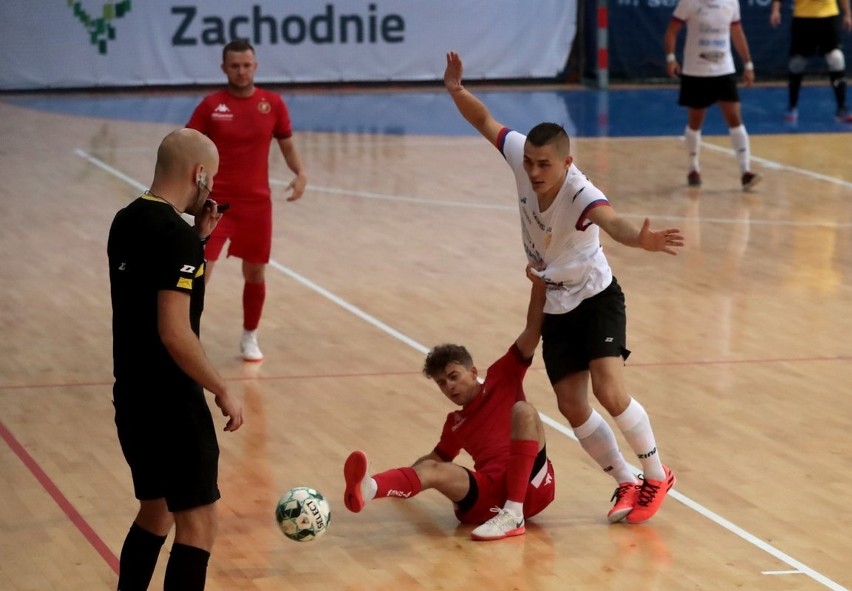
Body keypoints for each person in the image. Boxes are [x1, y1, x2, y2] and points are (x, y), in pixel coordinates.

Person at [443, 51, 683, 525]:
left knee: (610, 392)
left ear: (566, 162)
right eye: (529, 162)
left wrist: (644, 240)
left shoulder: (580, 193)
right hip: (556, 301)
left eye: (544, 164)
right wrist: (456, 90)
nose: (533, 172)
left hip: (595, 297)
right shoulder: (521, 160)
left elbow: (613, 224)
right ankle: (625, 482)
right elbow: (486, 121)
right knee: (572, 405)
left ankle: (656, 474)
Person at [108, 128, 244, 591]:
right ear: (199, 173)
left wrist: (198, 243)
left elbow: (152, 287)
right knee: (199, 524)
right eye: (212, 178)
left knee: (156, 509)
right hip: (172, 403)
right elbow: (174, 330)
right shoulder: (175, 238)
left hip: (131, 396)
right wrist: (222, 387)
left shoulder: (126, 219)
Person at [343, 270, 556, 541]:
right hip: (489, 498)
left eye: (453, 377)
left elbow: (532, 330)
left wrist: (539, 287)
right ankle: (368, 489)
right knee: (432, 469)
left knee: (524, 411)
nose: (450, 387)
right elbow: (433, 464)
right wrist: (405, 479)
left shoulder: (504, 375)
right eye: (442, 383)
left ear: (472, 371)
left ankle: (514, 515)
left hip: (531, 487)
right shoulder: (455, 423)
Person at [187, 38, 308, 362]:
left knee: (255, 274)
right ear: (224, 68)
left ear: (255, 66)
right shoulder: (211, 106)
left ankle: (249, 336)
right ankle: (186, 337)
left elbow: (287, 142)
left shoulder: (273, 103)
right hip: (215, 206)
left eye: (246, 65)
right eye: (234, 66)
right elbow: (188, 144)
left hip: (256, 206)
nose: (241, 71)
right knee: (200, 272)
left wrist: (299, 172)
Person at [663, 0, 762, 190]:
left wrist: (748, 64)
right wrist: (671, 59)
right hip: (696, 71)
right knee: (695, 121)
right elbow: (671, 31)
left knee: (735, 118)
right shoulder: (689, 3)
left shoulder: (731, 3)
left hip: (724, 70)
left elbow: (737, 33)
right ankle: (693, 168)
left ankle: (745, 172)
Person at [770, 0, 852, 123]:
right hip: (803, 18)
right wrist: (775, 10)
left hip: (828, 16)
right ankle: (792, 107)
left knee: (836, 59)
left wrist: (847, 13)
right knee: (797, 63)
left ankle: (842, 109)